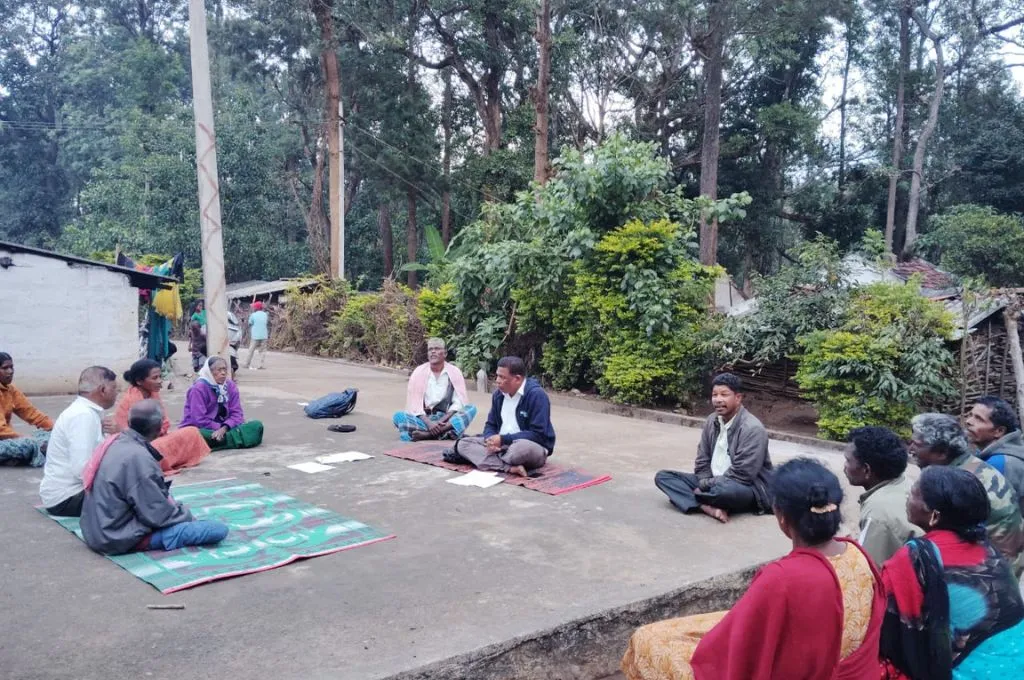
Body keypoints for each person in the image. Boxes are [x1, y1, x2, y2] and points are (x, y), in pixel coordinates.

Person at [621, 458, 884, 680]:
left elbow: (736, 659)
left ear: (781, 517)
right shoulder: (857, 554)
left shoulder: (782, 578)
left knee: (648, 640)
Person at [879, 466, 1024, 679]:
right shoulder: (987, 548)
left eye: (915, 493)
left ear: (934, 516)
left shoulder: (915, 557)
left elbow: (886, 625)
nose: (908, 496)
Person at [79, 399, 229, 555]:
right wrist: (185, 515)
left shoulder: (116, 441)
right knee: (216, 529)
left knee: (166, 497)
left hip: (95, 529)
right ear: (159, 428)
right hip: (114, 537)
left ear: (129, 422)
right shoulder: (139, 458)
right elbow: (158, 516)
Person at [910, 413, 1024, 575]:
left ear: (942, 453)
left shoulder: (961, 484)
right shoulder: (971, 465)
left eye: (917, 445)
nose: (911, 449)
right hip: (1001, 557)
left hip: (992, 569)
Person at [654, 373, 773, 523]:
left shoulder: (752, 428)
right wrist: (705, 482)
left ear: (738, 398)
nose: (718, 400)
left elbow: (742, 475)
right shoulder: (712, 420)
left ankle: (694, 498)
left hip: (744, 487)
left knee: (724, 492)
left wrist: (705, 486)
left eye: (724, 394)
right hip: (711, 482)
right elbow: (702, 459)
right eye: (714, 395)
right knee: (664, 477)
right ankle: (707, 506)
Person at [449, 356, 555, 478]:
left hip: (529, 447)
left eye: (502, 377)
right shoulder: (498, 395)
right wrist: (490, 440)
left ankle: (492, 460)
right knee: (463, 444)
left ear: (517, 379)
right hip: (502, 446)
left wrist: (503, 439)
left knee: (518, 451)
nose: (497, 381)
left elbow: (538, 434)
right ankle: (508, 467)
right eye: (497, 376)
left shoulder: (536, 395)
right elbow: (491, 424)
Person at [39, 367, 120, 517]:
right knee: (132, 499)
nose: (116, 394)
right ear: (102, 390)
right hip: (67, 499)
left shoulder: (88, 412)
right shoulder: (83, 416)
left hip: (70, 493)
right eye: (114, 389)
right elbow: (82, 470)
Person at [115, 359, 210, 474]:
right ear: (139, 381)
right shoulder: (132, 400)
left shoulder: (153, 394)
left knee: (192, 431)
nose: (160, 381)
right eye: (155, 378)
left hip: (157, 437)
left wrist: (161, 431)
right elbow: (132, 435)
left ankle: (168, 460)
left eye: (160, 377)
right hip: (137, 445)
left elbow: (163, 422)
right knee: (157, 447)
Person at [843, 426, 921, 566]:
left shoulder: (877, 512)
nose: (845, 466)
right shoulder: (904, 483)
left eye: (848, 461)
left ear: (867, 470)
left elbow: (869, 572)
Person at [392, 337, 477, 442]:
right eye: (430, 349)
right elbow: (414, 404)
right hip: (424, 419)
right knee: (398, 416)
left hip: (446, 419)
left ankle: (428, 435)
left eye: (437, 348)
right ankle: (444, 433)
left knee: (471, 409)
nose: (433, 351)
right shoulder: (419, 372)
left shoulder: (455, 372)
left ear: (445, 353)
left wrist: (440, 421)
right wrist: (429, 423)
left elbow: (459, 403)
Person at [180, 357, 263, 449]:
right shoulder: (198, 389)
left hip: (225, 428)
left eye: (224, 369)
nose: (223, 373)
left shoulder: (230, 386)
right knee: (195, 434)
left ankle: (217, 442)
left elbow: (237, 414)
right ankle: (235, 440)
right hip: (202, 428)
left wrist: (224, 428)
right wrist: (218, 428)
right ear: (210, 372)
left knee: (257, 425)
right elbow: (198, 420)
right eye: (219, 370)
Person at [967, 395, 1024, 513]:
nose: (969, 421)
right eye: (971, 415)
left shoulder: (999, 462)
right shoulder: (985, 454)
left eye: (979, 419)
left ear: (999, 431)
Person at [0, 352, 53, 466]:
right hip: (3, 438)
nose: (10, 371)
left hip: (7, 439)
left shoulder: (10, 390)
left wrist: (56, 428)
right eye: (5, 368)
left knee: (50, 436)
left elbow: (30, 412)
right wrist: (23, 438)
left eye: (11, 367)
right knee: (29, 444)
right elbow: (1, 430)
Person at [245, 301, 269, 370]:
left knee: (251, 350)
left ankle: (247, 364)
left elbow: (249, 323)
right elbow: (265, 322)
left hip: (255, 335)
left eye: (254, 307)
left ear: (256, 308)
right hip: (264, 335)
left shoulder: (253, 315)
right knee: (263, 351)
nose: (253, 308)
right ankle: (260, 365)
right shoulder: (265, 314)